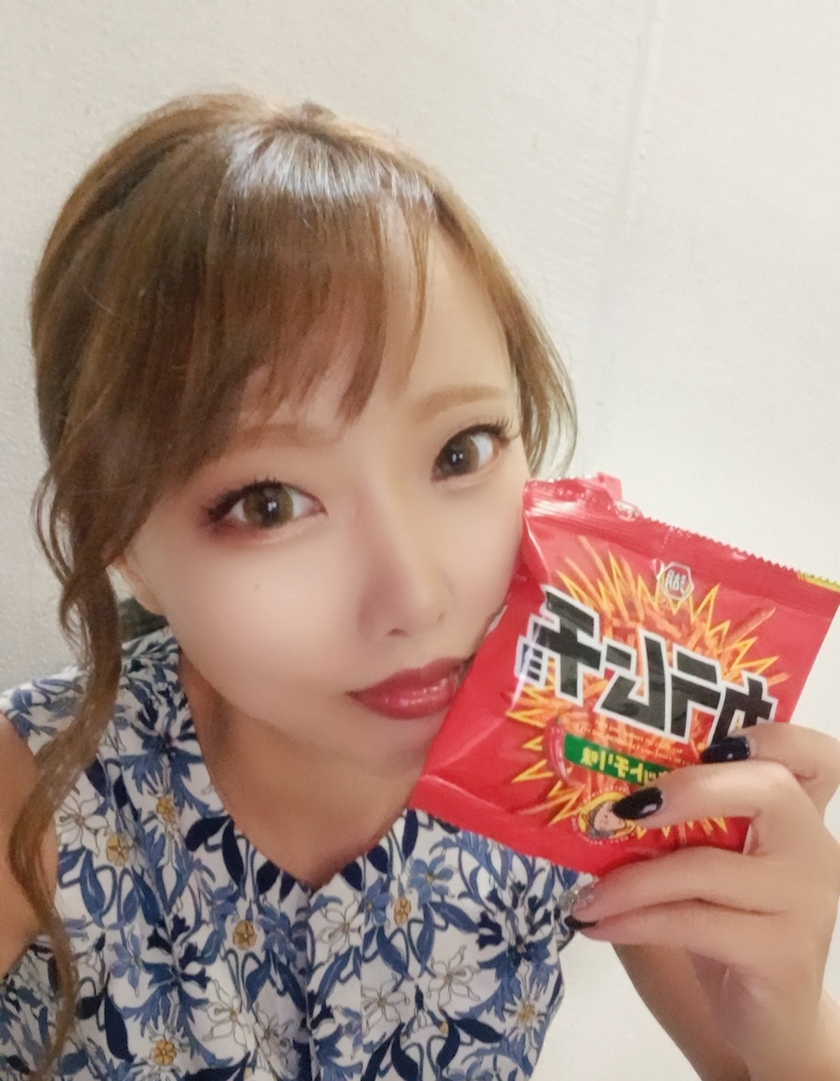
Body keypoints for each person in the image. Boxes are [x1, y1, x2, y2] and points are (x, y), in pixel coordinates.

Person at [0, 93, 838, 1081]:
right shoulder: (35, 797)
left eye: (461, 451)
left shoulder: (586, 761)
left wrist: (787, 1026)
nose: (418, 598)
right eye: (269, 503)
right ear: (117, 541)